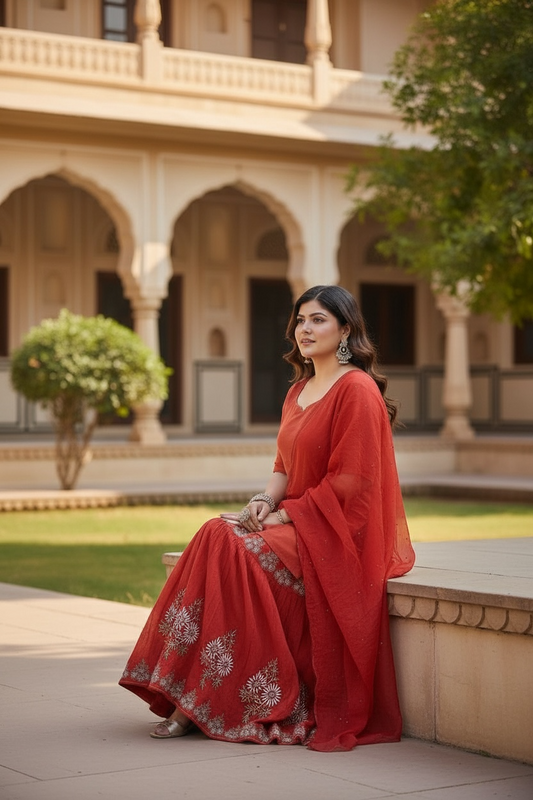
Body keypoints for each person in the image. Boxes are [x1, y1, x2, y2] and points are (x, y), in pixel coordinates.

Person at [119, 284, 415, 752]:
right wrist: (262, 502)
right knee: (218, 531)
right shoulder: (298, 390)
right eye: (300, 320)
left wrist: (284, 519)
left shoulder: (355, 390)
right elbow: (283, 466)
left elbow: (352, 486)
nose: (305, 329)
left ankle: (192, 701)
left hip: (332, 535)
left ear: (345, 329)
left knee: (234, 548)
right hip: (294, 523)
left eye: (318, 319)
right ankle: (190, 693)